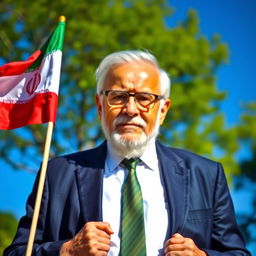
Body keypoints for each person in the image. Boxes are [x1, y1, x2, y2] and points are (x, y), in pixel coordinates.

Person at [4, 50, 251, 256]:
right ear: (100, 106)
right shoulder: (57, 173)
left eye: (144, 98)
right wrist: (66, 250)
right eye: (118, 97)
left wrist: (203, 255)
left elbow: (237, 253)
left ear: (162, 110)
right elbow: (16, 253)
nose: (131, 109)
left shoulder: (206, 174)